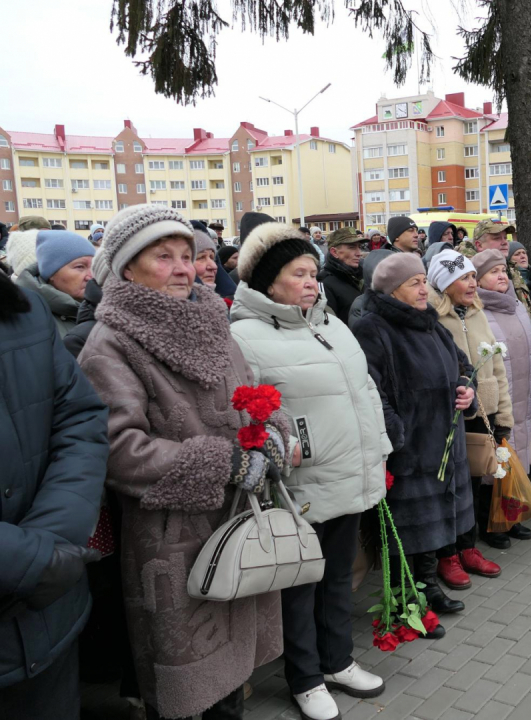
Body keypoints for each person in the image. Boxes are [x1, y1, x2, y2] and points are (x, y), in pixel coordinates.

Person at [78, 204, 291, 720]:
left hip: (237, 522)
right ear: (127, 268)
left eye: (189, 256)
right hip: (171, 537)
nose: (184, 269)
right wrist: (225, 464)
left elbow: (253, 394)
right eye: (164, 257)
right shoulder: (109, 343)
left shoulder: (211, 320)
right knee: (183, 685)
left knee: (230, 682)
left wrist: (274, 434)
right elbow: (118, 450)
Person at [230, 223, 390, 720]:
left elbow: (363, 392)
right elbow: (243, 415)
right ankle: (305, 677)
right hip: (298, 484)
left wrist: (378, 451)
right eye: (297, 273)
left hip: (348, 472)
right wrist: (287, 443)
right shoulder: (243, 336)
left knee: (338, 576)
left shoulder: (330, 324)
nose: (311, 283)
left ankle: (337, 660)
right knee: (300, 586)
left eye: (313, 273)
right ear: (268, 281)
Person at [0, 272, 108, 719]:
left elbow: (79, 419)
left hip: (48, 619)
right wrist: (24, 559)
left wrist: (52, 538)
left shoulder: (21, 311)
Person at [351, 252, 476, 620]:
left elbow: (464, 365)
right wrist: (397, 436)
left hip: (442, 444)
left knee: (433, 524)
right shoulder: (373, 328)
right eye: (415, 283)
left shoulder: (430, 323)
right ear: (392, 290)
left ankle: (427, 585)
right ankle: (405, 597)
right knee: (406, 530)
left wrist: (467, 389)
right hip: (409, 448)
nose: (425, 289)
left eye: (425, 280)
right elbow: (371, 390)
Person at [427, 249, 507, 573]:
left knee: (471, 486)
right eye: (464, 277)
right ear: (444, 284)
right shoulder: (432, 317)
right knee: (447, 489)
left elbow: (497, 365)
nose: (473, 283)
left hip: (481, 412)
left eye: (474, 276)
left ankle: (468, 547)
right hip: (450, 417)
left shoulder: (477, 313)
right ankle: (447, 555)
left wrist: (503, 414)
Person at [475, 249, 531, 541]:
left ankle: (512, 517)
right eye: (493, 272)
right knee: (493, 467)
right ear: (478, 279)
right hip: (498, 403)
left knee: (517, 462)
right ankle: (490, 524)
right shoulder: (476, 310)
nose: (502, 276)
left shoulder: (516, 304)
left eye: (503, 270)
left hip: (523, 399)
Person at [15, 230, 96, 336]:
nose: (91, 276)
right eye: (80, 267)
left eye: (94, 266)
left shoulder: (106, 307)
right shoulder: (24, 318)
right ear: (51, 274)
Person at [318, 227, 365, 318]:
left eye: (359, 247)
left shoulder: (360, 276)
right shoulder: (324, 283)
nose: (359, 253)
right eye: (352, 247)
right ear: (334, 252)